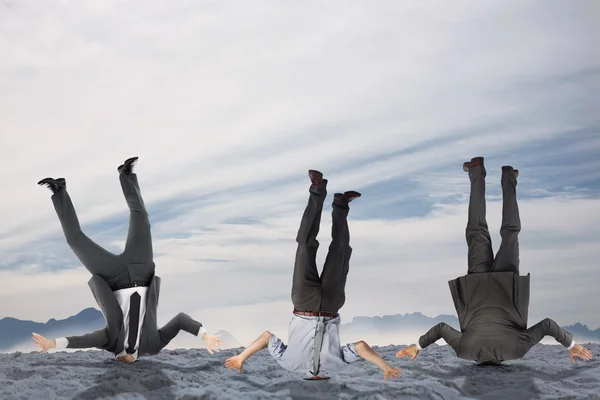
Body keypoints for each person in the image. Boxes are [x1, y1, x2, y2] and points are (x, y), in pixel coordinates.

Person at [396, 157, 593, 365]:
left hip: (506, 283)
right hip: (477, 283)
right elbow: (442, 328)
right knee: (476, 230)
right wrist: (417, 346)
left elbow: (547, 325)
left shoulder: (516, 351)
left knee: (511, 233)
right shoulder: (465, 351)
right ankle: (476, 171)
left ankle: (509, 176)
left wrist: (571, 345)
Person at [32, 157, 222, 362]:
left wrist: (51, 344)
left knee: (75, 241)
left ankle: (59, 191)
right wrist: (205, 335)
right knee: (141, 218)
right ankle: (127, 174)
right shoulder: (153, 346)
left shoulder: (111, 342)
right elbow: (180, 320)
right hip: (141, 269)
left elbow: (83, 340)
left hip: (112, 277)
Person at [225, 170, 402, 381]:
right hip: (330, 304)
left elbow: (267, 338)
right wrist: (385, 366)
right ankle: (341, 205)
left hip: (303, 303)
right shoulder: (338, 367)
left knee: (305, 247)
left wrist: (242, 357)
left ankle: (317, 190)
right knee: (340, 251)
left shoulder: (289, 364)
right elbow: (361, 347)